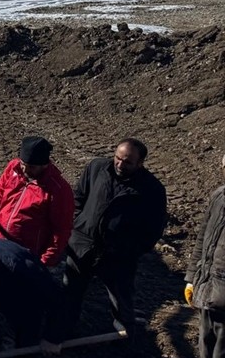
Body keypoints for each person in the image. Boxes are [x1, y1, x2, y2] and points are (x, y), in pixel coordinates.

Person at [63, 137, 167, 339]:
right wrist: (78, 226)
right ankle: (63, 331)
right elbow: (78, 197)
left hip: (118, 256)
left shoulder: (152, 190)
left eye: (127, 162)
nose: (120, 164)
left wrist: (131, 251)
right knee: (71, 293)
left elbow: (153, 228)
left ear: (140, 163)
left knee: (121, 296)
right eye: (117, 158)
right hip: (83, 246)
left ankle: (125, 334)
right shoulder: (96, 168)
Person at [0, 135, 75, 267]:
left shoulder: (58, 190)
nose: (25, 170)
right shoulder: (13, 168)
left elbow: (61, 230)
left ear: (44, 165)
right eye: (23, 164)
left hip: (26, 254)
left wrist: (45, 261)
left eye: (31, 167)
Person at [185, 153, 225, 358]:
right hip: (208, 288)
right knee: (205, 350)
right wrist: (192, 278)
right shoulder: (219, 196)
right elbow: (202, 239)